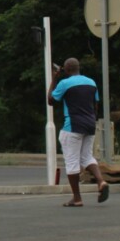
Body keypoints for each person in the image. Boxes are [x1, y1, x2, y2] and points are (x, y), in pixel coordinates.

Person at [48, 58, 110, 207]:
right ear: (78, 68)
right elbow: (95, 105)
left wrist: (54, 79)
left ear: (67, 69)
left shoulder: (64, 83)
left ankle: (77, 198)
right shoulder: (91, 82)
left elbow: (50, 99)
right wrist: (91, 120)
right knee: (87, 157)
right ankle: (101, 181)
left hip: (73, 126)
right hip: (89, 125)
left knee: (72, 161)